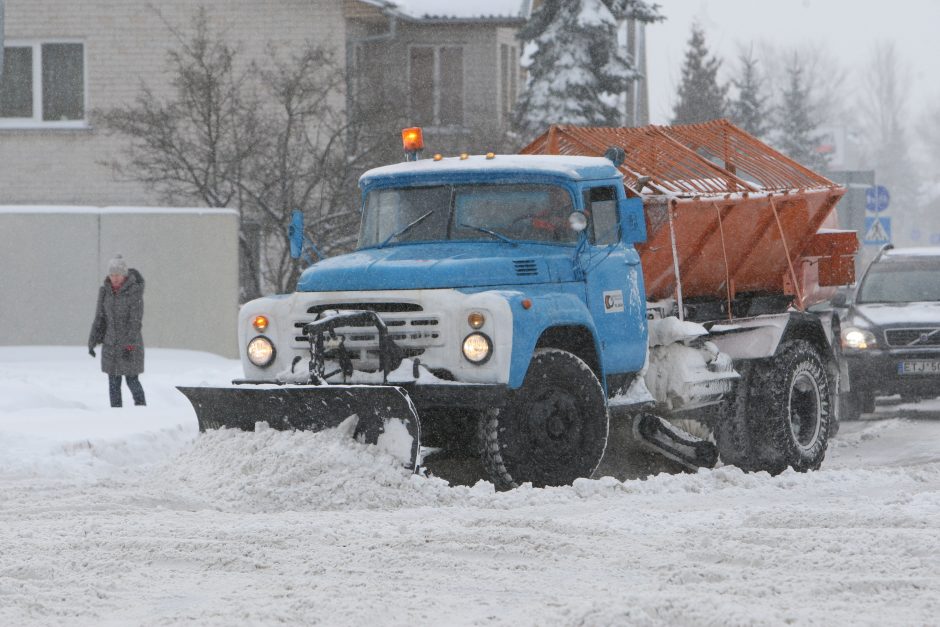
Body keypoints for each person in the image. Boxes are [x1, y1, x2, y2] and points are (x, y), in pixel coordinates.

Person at [88, 254, 147, 407]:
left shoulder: (134, 292)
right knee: (113, 383)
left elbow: (135, 322)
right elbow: (100, 318)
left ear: (124, 275)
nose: (114, 278)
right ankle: (116, 416)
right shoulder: (105, 292)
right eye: (112, 274)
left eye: (118, 274)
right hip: (111, 345)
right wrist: (93, 341)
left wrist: (130, 346)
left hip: (129, 345)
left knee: (132, 380)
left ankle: (143, 412)